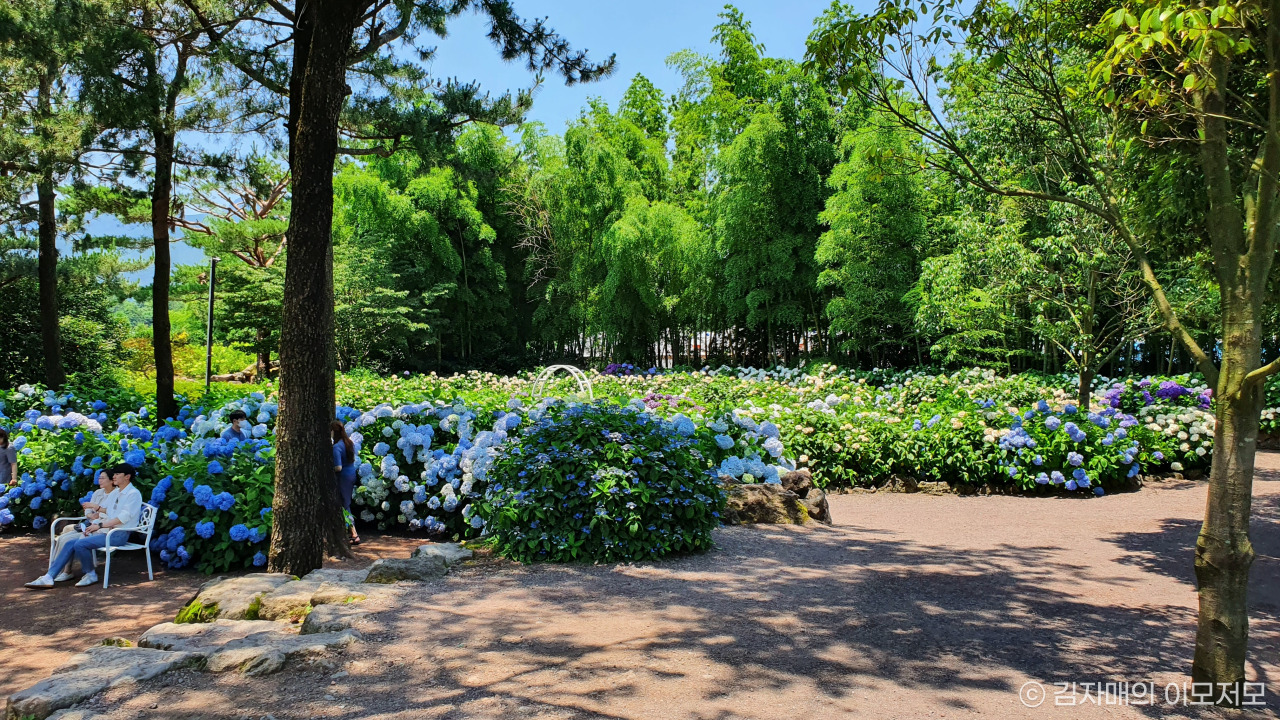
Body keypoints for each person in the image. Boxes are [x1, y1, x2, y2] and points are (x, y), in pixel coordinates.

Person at [26, 463, 143, 589]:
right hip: (105, 530)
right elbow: (108, 511)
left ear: (127, 477)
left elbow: (122, 518)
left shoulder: (133, 494)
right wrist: (96, 514)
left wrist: (99, 525)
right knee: (69, 542)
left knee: (80, 544)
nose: (114, 476)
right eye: (113, 474)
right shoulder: (117, 492)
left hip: (118, 534)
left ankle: (90, 574)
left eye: (117, 474)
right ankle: (49, 577)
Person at [47, 470, 117, 581]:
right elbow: (88, 509)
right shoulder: (98, 493)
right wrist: (90, 514)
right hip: (90, 523)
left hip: (101, 527)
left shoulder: (117, 495)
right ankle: (61, 570)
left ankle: (60, 571)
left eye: (102, 478)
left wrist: (99, 512)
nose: (99, 480)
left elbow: (112, 513)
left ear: (111, 480)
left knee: (65, 538)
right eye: (99, 478)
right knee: (65, 532)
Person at [331, 420, 361, 546]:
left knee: (345, 505)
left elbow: (338, 467)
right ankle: (350, 531)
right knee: (346, 502)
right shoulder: (349, 443)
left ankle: (353, 533)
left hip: (343, 477)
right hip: (351, 474)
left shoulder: (337, 447)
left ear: (333, 432)